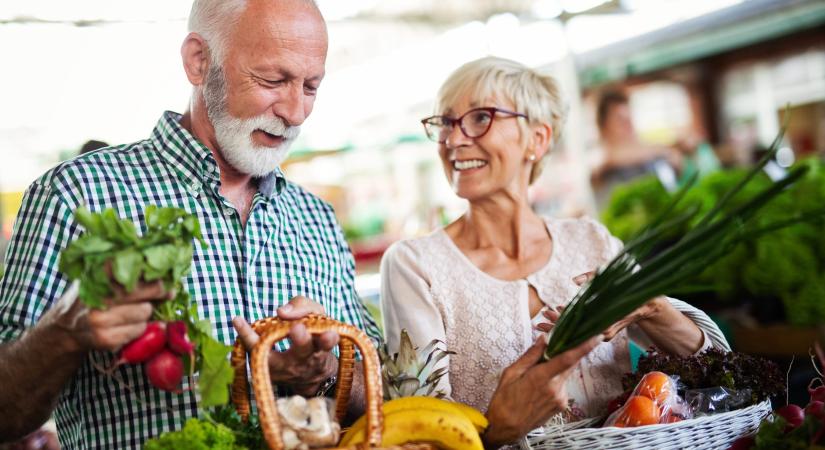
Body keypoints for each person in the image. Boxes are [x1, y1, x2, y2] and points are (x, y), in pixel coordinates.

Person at [0, 1, 380, 448]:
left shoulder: (315, 217)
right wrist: (64, 332)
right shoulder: (77, 194)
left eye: (311, 86)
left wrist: (327, 372)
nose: (295, 112)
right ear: (199, 62)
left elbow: (382, 395)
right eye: (273, 80)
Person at [380, 57, 728, 447]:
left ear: (538, 139)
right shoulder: (416, 265)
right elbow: (420, 431)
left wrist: (651, 307)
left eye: (480, 118)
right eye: (445, 122)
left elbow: (719, 369)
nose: (454, 139)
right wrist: (496, 431)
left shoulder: (591, 242)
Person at [590, 90, 684, 210]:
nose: (629, 125)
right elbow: (609, 159)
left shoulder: (644, 154)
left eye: (629, 118)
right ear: (603, 127)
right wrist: (665, 151)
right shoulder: (599, 156)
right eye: (620, 120)